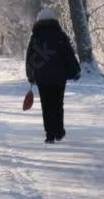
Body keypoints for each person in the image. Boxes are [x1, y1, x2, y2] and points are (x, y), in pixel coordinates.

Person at [25, 9, 80, 143]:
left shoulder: (35, 37)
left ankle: (49, 135)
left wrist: (31, 75)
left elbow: (30, 58)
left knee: (46, 105)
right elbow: (69, 55)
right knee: (57, 104)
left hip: (42, 78)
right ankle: (59, 131)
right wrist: (75, 71)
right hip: (58, 77)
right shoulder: (60, 35)